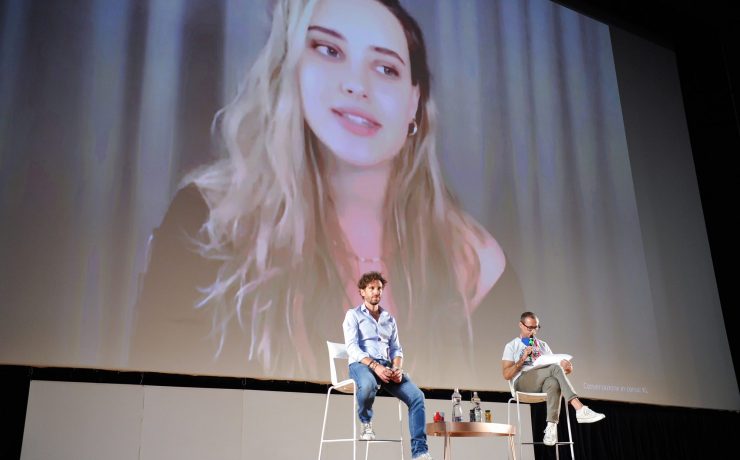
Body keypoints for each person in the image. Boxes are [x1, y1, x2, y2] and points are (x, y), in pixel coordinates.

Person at [130, 0, 505, 381]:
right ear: (291, 67)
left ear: (414, 102)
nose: (357, 85)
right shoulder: (209, 221)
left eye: (386, 68)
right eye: (329, 50)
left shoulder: (477, 264)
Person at [344, 271, 432, 460]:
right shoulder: (353, 315)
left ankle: (420, 452)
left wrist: (397, 368)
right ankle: (366, 422)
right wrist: (375, 366)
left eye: (379, 289)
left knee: (417, 397)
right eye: (371, 288)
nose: (376, 292)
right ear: (362, 292)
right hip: (362, 365)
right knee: (367, 385)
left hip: (386, 367)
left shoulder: (389, 319)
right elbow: (352, 348)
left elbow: (396, 349)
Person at [501, 311, 605, 446]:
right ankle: (579, 409)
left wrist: (567, 369)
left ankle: (551, 428)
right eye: (529, 328)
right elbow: (506, 375)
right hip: (522, 383)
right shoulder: (512, 346)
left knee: (554, 381)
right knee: (555, 369)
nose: (533, 331)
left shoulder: (543, 345)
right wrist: (522, 360)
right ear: (520, 325)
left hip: (542, 383)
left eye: (536, 327)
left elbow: (554, 371)